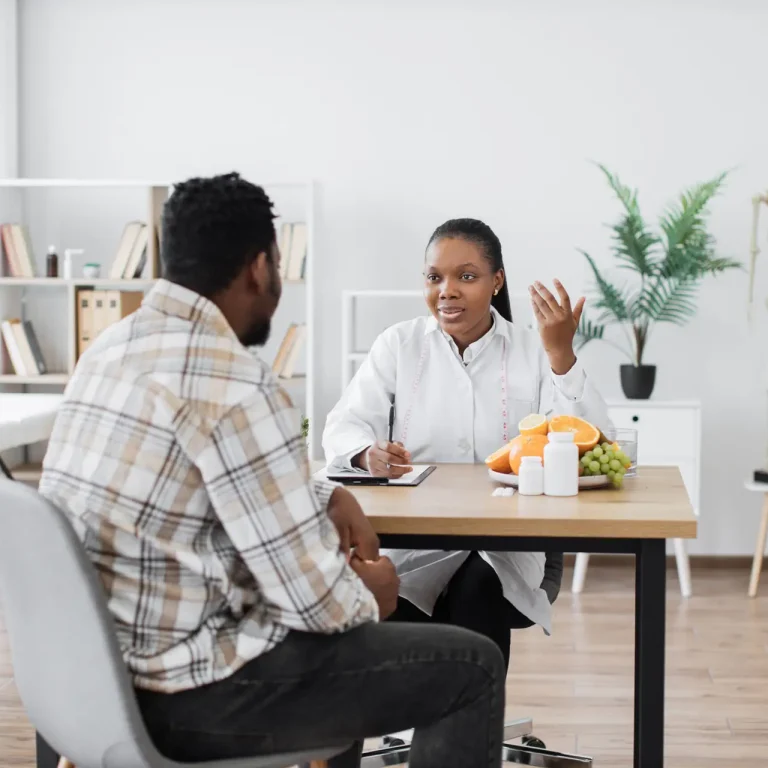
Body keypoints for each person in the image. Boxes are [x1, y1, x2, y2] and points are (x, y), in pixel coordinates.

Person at [38, 178, 506, 768]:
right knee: (472, 665)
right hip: (189, 697)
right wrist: (378, 591)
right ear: (260, 267)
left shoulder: (107, 350)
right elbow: (318, 607)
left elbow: (204, 469)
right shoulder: (234, 383)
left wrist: (322, 494)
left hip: (83, 685)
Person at [323, 218, 611, 669]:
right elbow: (346, 424)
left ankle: (467, 733)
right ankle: (441, 730)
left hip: (505, 545)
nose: (447, 290)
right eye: (435, 277)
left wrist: (561, 356)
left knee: (477, 584)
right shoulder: (399, 344)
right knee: (393, 588)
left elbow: (588, 442)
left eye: (467, 276)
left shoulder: (533, 348)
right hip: (416, 541)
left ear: (497, 282)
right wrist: (366, 451)